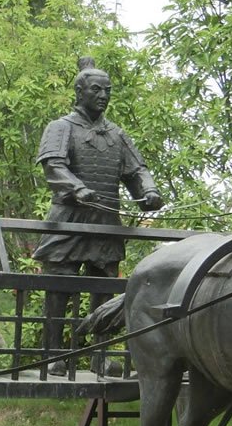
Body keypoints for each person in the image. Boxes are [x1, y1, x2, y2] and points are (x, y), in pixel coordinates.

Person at [33, 57, 163, 372]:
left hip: (106, 224)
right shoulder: (61, 127)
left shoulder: (116, 134)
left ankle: (100, 356)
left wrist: (148, 192)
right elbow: (53, 166)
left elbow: (137, 170)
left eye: (107, 90)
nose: (103, 95)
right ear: (80, 92)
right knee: (59, 289)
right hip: (69, 221)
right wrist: (76, 188)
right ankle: (54, 356)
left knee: (103, 290)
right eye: (96, 90)